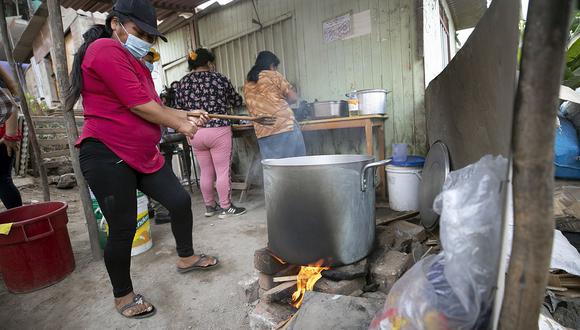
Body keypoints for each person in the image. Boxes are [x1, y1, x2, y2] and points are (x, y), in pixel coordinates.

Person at [67, 0, 218, 319]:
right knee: (123, 227)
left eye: (151, 37)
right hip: (107, 153)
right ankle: (123, 295)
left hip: (141, 154)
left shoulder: (138, 64)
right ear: (116, 24)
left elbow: (154, 106)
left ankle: (186, 257)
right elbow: (138, 105)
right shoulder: (105, 49)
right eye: (140, 32)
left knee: (178, 200)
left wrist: (185, 114)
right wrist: (181, 123)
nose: (146, 42)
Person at [175, 48, 246, 219]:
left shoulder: (183, 83)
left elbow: (178, 109)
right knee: (222, 171)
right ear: (209, 63)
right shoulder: (219, 79)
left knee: (206, 171)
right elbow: (236, 100)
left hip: (195, 131)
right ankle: (226, 207)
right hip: (218, 129)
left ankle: (209, 206)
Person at [243, 51, 306, 160]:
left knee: (274, 169)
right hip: (284, 127)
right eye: (275, 67)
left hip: (263, 132)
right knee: (297, 166)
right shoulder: (273, 75)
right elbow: (293, 97)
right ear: (272, 65)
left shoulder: (247, 84)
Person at [0, 66, 22, 209]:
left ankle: (19, 217)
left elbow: (10, 107)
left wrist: (10, 136)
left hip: (2, 139)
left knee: (2, 180)